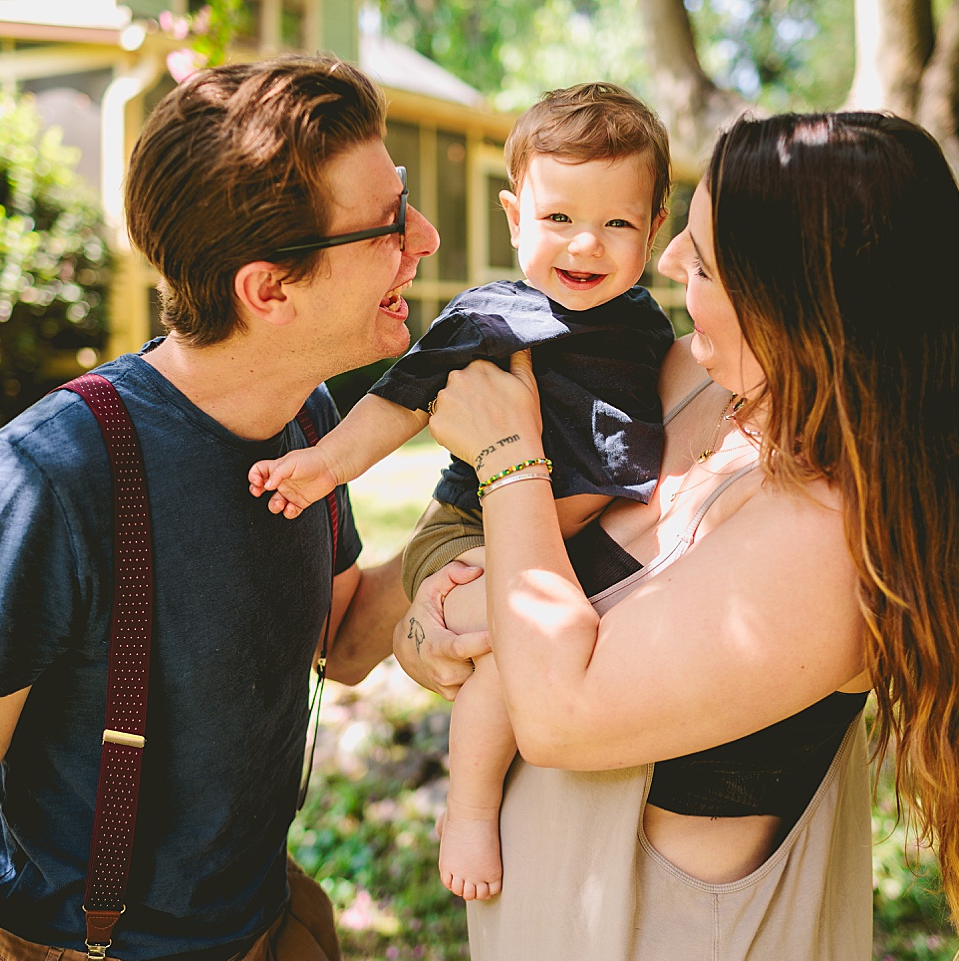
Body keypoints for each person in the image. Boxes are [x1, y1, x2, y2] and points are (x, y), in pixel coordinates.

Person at [0, 56, 484, 961]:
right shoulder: (39, 487)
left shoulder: (309, 419)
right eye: (388, 223)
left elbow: (343, 640)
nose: (426, 236)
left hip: (268, 924)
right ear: (268, 288)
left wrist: (474, 491)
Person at [401, 112, 959, 959]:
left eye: (703, 259)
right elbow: (510, 583)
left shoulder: (829, 533)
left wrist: (509, 455)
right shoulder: (697, 376)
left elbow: (557, 712)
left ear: (801, 296)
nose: (665, 262)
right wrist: (428, 625)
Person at [248, 83, 673, 901]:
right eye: (557, 219)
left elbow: (623, 471)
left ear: (655, 228)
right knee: (511, 654)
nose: (585, 243)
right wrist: (328, 465)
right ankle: (470, 807)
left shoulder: (648, 338)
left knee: (533, 636)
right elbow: (401, 398)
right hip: (468, 527)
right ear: (515, 218)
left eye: (617, 223)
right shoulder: (492, 315)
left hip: (556, 539)